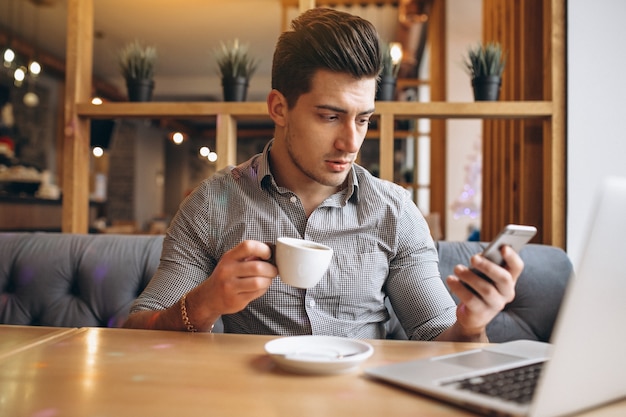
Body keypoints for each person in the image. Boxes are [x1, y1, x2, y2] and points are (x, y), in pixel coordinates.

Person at [123, 8, 523, 342]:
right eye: (330, 116)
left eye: (363, 119)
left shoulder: (394, 211)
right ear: (279, 108)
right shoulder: (213, 204)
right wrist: (203, 303)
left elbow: (437, 338)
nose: (351, 142)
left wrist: (471, 325)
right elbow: (136, 331)